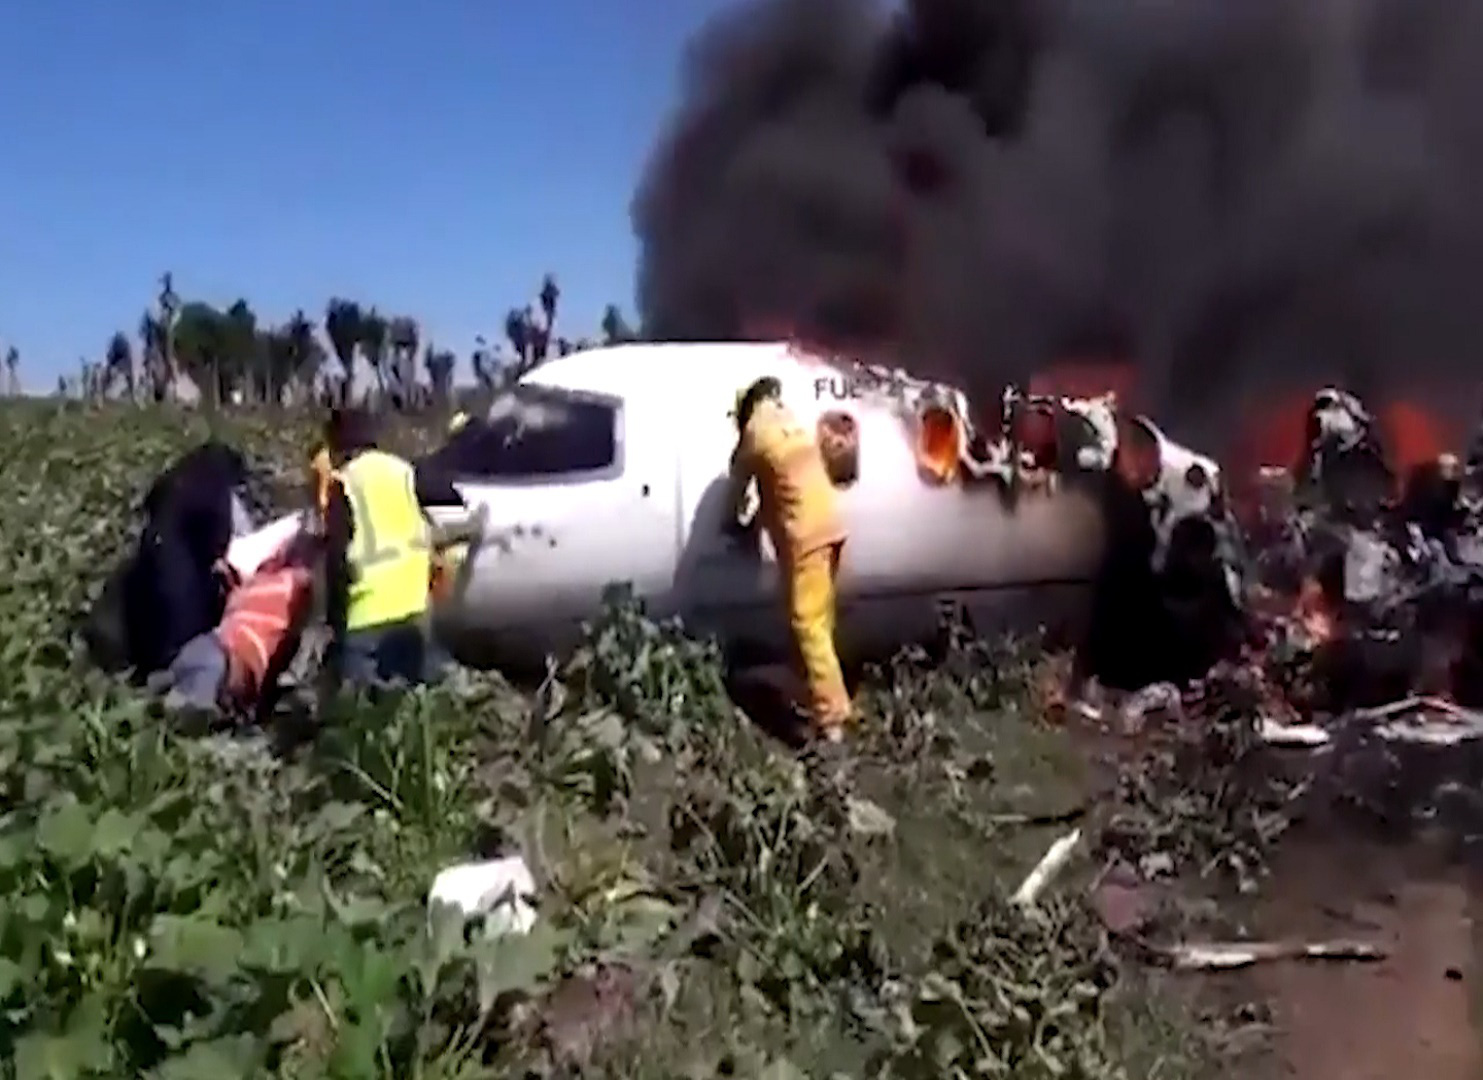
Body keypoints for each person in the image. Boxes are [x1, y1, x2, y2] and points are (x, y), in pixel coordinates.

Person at [726, 377, 854, 742]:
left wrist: (733, 521)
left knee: (807, 623)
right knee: (819, 621)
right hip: (831, 526)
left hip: (807, 536)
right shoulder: (790, 424)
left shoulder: (755, 433)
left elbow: (738, 486)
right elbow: (780, 486)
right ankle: (814, 697)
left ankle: (833, 721)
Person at [320, 407, 440, 689]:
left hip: (368, 615)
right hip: (415, 608)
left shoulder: (345, 482)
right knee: (416, 699)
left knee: (357, 707)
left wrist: (333, 618)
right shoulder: (404, 470)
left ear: (338, 446)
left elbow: (336, 558)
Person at [152, 530, 319, 720]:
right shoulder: (284, 581)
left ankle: (166, 691)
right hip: (221, 657)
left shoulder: (274, 579)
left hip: (213, 651)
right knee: (193, 702)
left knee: (184, 685)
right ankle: (175, 697)